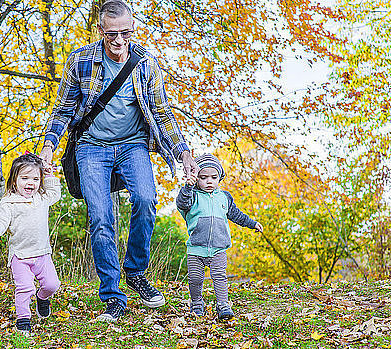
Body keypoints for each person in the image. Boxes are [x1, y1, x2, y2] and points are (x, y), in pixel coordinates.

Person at [39, 0, 197, 322]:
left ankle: (136, 272)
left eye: (126, 32)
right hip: (91, 146)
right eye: (112, 34)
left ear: (133, 27)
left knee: (145, 198)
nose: (120, 41)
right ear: (100, 30)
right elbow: (63, 111)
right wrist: (48, 147)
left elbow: (161, 113)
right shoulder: (81, 60)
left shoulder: (146, 64)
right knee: (101, 217)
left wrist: (183, 154)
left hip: (133, 144)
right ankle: (113, 296)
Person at [176, 153, 263, 321]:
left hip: (219, 248)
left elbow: (237, 215)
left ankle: (223, 304)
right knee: (195, 279)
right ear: (196, 177)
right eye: (203, 177)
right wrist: (187, 187)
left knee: (220, 277)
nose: (209, 181)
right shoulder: (192, 196)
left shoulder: (224, 197)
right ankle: (196, 304)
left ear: (219, 178)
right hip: (196, 247)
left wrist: (252, 223)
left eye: (213, 177)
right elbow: (182, 203)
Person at [0, 153, 61, 334]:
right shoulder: (9, 202)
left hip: (42, 253)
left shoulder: (41, 199)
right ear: (14, 180)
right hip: (20, 256)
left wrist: (50, 175)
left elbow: (54, 194)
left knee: (52, 285)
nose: (30, 183)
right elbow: (2, 220)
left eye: (35, 179)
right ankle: (23, 321)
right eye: (25, 178)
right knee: (25, 287)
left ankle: (42, 298)